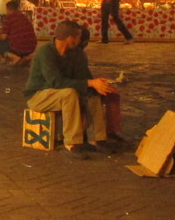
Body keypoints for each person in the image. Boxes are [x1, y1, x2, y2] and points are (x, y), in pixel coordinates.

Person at [23, 21, 118, 159]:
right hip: (38, 96)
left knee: (92, 93)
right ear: (70, 38)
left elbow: (85, 78)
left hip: (61, 93)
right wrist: (90, 82)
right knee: (69, 93)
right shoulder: (45, 52)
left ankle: (97, 139)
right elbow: (57, 82)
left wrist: (99, 85)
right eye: (78, 37)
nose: (80, 40)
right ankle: (72, 143)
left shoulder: (76, 54)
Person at [0, 0, 37, 65]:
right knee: (18, 40)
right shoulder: (24, 16)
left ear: (8, 9)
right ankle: (26, 56)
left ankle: (14, 57)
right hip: (31, 46)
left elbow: (3, 37)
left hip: (18, 46)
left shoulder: (9, 18)